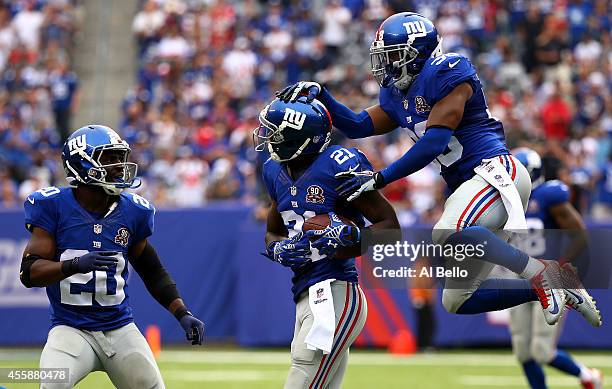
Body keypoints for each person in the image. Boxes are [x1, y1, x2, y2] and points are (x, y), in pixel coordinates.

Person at [276, 12, 600, 328]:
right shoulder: (397, 92)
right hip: (471, 189)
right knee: (457, 299)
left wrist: (381, 177)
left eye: (394, 56)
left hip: (495, 173)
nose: (387, 65)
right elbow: (360, 124)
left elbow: (433, 142)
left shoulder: (448, 70)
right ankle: (549, 282)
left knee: (446, 233)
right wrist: (322, 96)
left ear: (418, 53)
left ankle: (541, 272)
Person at [20, 125, 205, 389]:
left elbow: (152, 271)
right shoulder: (53, 207)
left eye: (120, 157)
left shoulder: (132, 211)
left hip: (119, 328)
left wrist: (182, 313)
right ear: (81, 164)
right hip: (71, 328)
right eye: (109, 159)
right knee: (53, 384)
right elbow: (29, 272)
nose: (119, 166)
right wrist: (72, 265)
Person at [255, 97, 399, 388]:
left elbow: (391, 229)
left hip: (336, 292)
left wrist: (352, 236)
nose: (268, 138)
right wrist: (278, 249)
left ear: (299, 137)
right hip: (304, 292)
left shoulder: (337, 165)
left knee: (301, 376)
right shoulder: (274, 170)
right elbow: (273, 230)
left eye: (276, 132)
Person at [509, 148, 603, 389]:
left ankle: (587, 376)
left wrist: (560, 264)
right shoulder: (507, 201)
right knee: (523, 352)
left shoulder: (548, 195)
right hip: (518, 280)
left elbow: (580, 234)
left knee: (541, 351)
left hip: (548, 280)